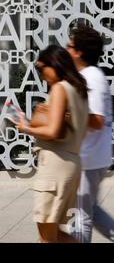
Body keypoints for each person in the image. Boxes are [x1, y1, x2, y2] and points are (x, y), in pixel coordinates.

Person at [66, 25, 114, 243]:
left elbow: (96, 120)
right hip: (90, 156)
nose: (66, 50)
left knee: (83, 216)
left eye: (70, 46)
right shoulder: (85, 75)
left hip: (89, 157)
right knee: (90, 212)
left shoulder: (91, 77)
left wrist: (65, 117)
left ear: (78, 52)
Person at [15, 45, 89, 243]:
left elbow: (53, 131)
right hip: (71, 164)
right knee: (55, 235)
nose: (40, 74)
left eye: (41, 68)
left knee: (46, 237)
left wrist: (26, 129)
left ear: (54, 64)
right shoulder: (78, 88)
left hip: (55, 167)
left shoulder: (59, 88)